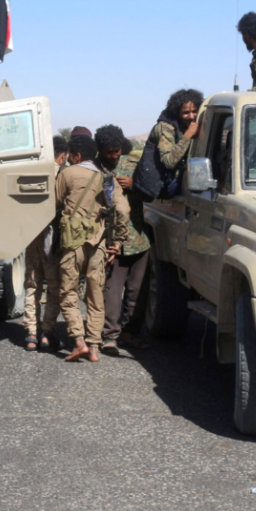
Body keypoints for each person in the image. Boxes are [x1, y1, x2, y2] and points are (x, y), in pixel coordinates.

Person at [42, 133, 129, 362]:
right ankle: (93, 348)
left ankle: (78, 341)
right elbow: (123, 211)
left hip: (71, 242)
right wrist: (118, 241)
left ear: (76, 155)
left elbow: (54, 204)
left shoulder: (68, 173)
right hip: (98, 243)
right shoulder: (106, 178)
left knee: (68, 292)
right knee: (95, 294)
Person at [100, 128, 150, 355]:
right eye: (108, 152)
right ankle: (110, 335)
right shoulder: (94, 171)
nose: (113, 156)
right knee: (111, 290)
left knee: (136, 292)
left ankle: (130, 333)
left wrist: (134, 185)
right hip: (110, 242)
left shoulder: (133, 166)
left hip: (139, 240)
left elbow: (152, 193)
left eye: (116, 151)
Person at [21, 134, 68, 350]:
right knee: (53, 287)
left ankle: (31, 333)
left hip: (31, 235)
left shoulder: (31, 171)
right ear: (62, 156)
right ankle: (47, 333)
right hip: (52, 239)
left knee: (32, 284)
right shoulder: (63, 175)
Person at [146, 88, 204, 192]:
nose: (191, 116)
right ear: (177, 113)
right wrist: (187, 135)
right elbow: (169, 162)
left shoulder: (196, 123)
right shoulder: (166, 127)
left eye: (194, 111)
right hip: (165, 183)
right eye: (186, 113)